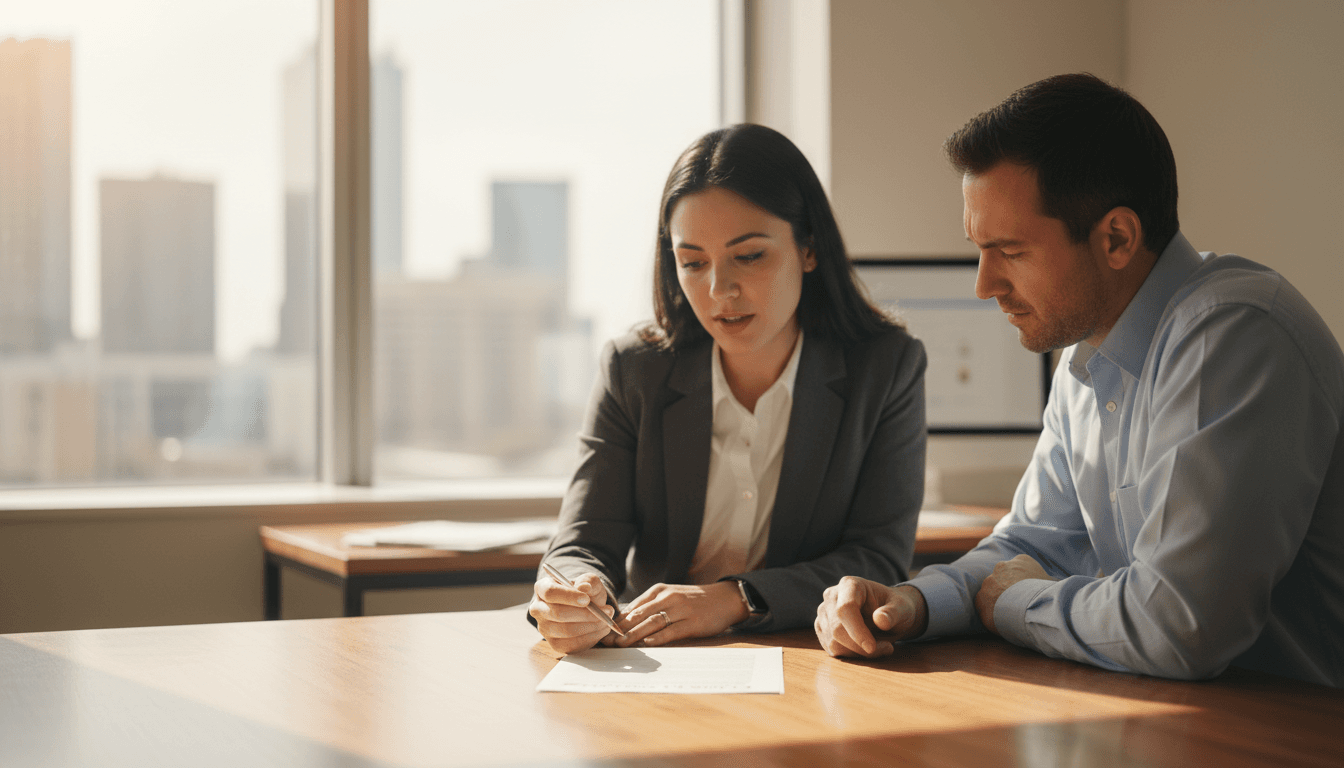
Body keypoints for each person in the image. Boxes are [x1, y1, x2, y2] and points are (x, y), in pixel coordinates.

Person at [815, 73, 1344, 686]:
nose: (984, 285)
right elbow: (1031, 546)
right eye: (980, 250)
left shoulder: (1234, 336)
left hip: (1301, 723)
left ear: (1117, 238)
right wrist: (913, 603)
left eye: (1010, 252)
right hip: (1193, 714)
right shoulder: (1087, 357)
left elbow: (1180, 625)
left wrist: (1014, 603)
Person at [529, 123, 928, 653]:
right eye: (693, 263)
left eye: (749, 255)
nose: (720, 290)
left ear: (809, 248)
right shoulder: (634, 370)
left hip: (807, 658)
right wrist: (573, 593)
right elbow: (581, 542)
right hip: (653, 659)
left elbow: (878, 558)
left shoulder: (886, 368)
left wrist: (736, 598)